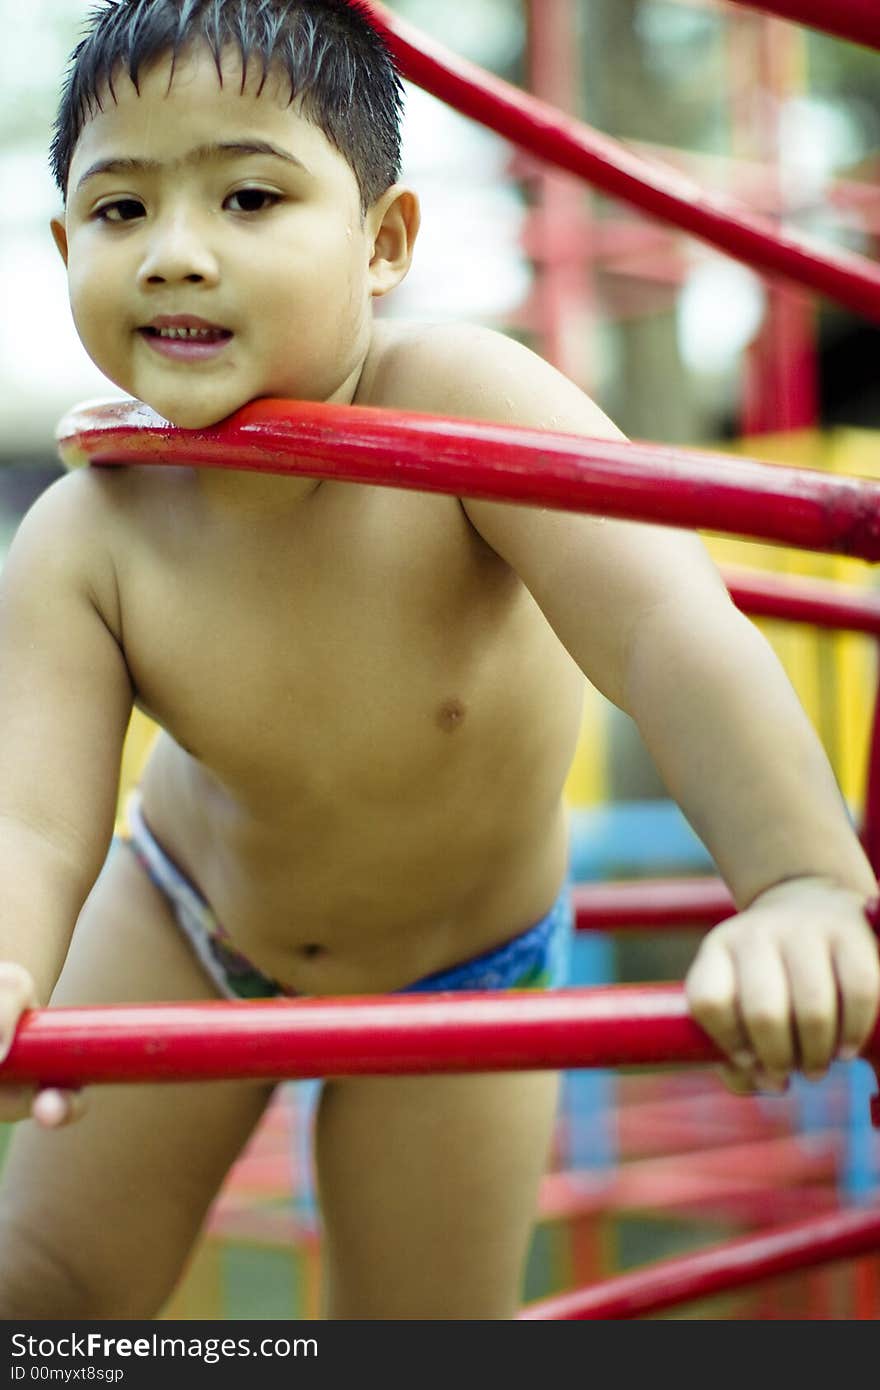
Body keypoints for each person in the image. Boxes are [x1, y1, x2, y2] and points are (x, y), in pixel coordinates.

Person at [0, 0, 877, 1321]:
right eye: (123, 213)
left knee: (418, 1330)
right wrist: (10, 960)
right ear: (67, 243)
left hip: (468, 966)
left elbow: (668, 630)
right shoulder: (86, 531)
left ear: (383, 243)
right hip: (185, 922)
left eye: (247, 195)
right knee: (49, 1295)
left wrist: (802, 879)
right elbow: (31, 818)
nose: (175, 255)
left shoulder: (472, 408)